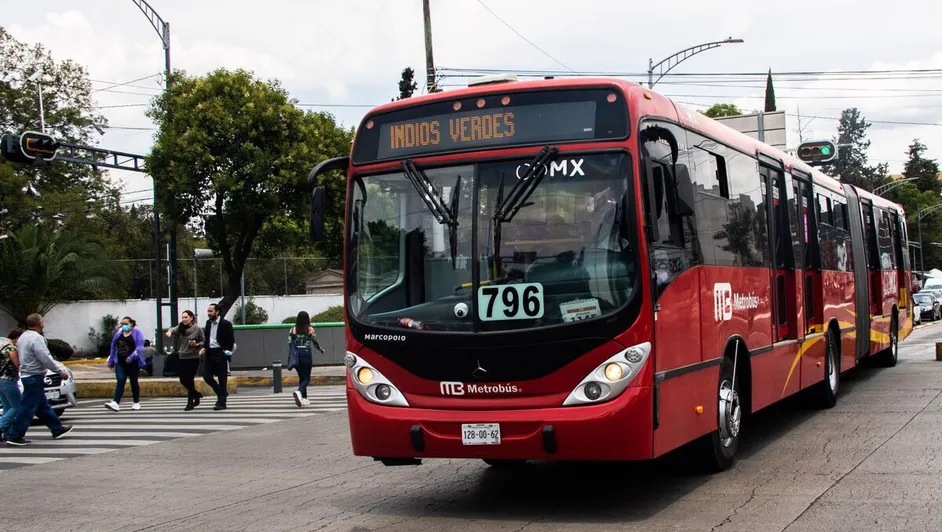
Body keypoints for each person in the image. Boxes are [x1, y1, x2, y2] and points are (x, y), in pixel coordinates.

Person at [4, 314, 73, 446]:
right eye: (42, 321)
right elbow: (45, 357)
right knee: (27, 408)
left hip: (28, 375)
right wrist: (60, 371)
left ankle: (57, 429)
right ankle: (15, 435)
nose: (43, 324)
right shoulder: (37, 338)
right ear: (39, 323)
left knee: (43, 407)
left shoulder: (23, 336)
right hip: (33, 376)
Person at [104, 316, 146, 412]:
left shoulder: (137, 333)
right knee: (120, 380)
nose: (124, 326)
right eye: (122, 324)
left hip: (133, 362)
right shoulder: (118, 332)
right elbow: (113, 346)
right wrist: (111, 359)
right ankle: (115, 402)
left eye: (126, 324)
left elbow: (140, 347)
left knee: (133, 382)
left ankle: (136, 402)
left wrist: (131, 357)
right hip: (120, 361)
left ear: (131, 324)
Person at [166, 310, 205, 411]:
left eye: (186, 317)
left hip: (194, 357)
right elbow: (173, 329)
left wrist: (197, 345)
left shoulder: (198, 329)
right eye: (182, 317)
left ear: (192, 318)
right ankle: (196, 394)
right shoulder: (180, 327)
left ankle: (190, 403)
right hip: (182, 356)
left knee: (190, 379)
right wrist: (170, 332)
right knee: (183, 380)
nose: (184, 319)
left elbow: (204, 340)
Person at [288, 311, 326, 408]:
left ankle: (304, 398)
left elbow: (289, 342)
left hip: (296, 354)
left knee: (302, 377)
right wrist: (321, 350)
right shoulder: (310, 329)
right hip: (306, 353)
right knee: (307, 378)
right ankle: (299, 392)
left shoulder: (293, 329)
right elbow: (315, 341)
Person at [200, 303, 234, 410]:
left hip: (220, 352)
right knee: (207, 376)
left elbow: (231, 340)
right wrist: (204, 348)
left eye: (211, 311)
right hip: (210, 353)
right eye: (208, 311)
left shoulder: (225, 324)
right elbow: (207, 338)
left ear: (217, 312)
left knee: (222, 378)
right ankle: (222, 393)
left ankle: (221, 402)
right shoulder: (208, 323)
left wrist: (226, 352)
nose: (209, 313)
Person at [0, 328, 24, 442]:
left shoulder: (2, 343)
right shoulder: (11, 348)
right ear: (18, 338)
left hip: (0, 380)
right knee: (17, 406)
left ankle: (7, 434)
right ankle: (1, 427)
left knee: (7, 407)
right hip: (9, 380)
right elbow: (17, 364)